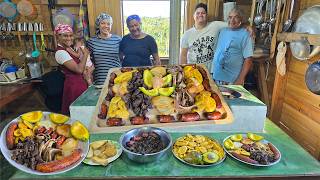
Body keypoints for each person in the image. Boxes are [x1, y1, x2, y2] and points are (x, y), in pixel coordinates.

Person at [211, 7, 253, 85]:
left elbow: (248, 59)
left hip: (232, 80)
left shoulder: (246, 34)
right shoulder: (222, 30)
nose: (232, 20)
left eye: (236, 17)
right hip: (216, 77)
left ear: (241, 19)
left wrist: (240, 80)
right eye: (230, 17)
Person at [180, 3, 227, 71]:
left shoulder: (215, 25)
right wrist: (183, 71)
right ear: (194, 16)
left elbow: (232, 24)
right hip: (194, 70)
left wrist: (246, 26)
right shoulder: (187, 34)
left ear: (206, 16)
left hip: (211, 70)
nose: (200, 15)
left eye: (203, 13)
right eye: (198, 13)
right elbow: (183, 55)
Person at [54, 24, 89, 115]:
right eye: (65, 35)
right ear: (58, 36)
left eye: (70, 35)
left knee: (83, 112)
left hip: (79, 83)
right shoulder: (60, 52)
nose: (69, 38)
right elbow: (78, 69)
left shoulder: (67, 48)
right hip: (73, 86)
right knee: (77, 113)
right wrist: (85, 54)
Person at [87, 13, 122, 85]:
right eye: (103, 23)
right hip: (100, 79)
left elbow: (122, 58)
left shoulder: (118, 39)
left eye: (108, 24)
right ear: (98, 25)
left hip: (117, 78)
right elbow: (88, 61)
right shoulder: (91, 41)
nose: (106, 26)